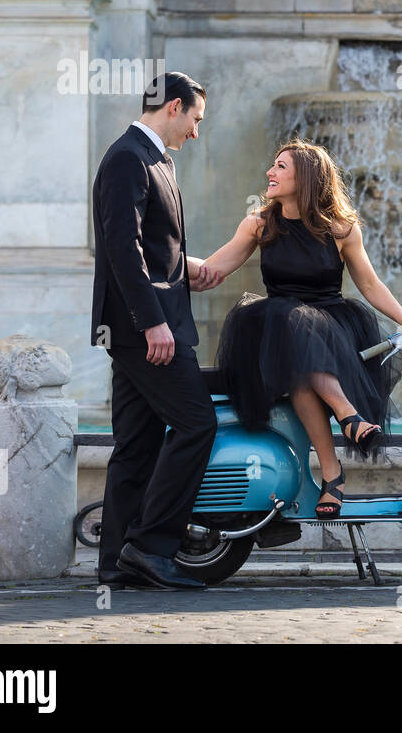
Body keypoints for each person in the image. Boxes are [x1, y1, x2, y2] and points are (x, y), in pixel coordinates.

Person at [201, 139, 402, 516]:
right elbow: (212, 270)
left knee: (302, 372)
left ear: (308, 177)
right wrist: (163, 261)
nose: (270, 172)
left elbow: (369, 284)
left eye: (281, 167)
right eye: (273, 165)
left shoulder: (342, 229)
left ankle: (332, 475)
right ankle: (348, 418)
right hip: (274, 331)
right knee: (292, 330)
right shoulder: (259, 224)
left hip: (332, 328)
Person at [92, 71, 228, 590]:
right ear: (174, 106)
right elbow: (121, 248)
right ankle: (150, 546)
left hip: (145, 326)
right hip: (146, 330)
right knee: (197, 424)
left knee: (136, 445)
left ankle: (115, 563)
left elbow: (149, 246)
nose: (196, 131)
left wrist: (188, 266)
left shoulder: (155, 160)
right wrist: (153, 322)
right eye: (195, 118)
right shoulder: (128, 157)